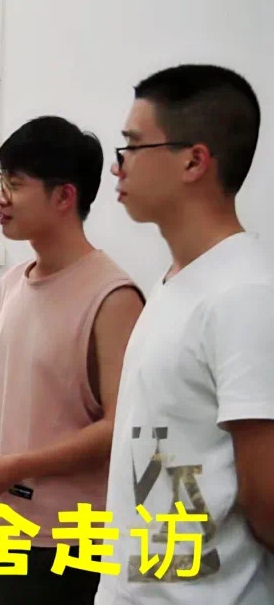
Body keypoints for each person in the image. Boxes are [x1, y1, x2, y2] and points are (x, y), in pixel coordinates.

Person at [96, 64, 274, 604]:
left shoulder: (244, 294)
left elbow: (267, 500)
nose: (117, 165)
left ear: (194, 161)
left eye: (133, 145)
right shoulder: (176, 282)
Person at [0, 116, 146, 605]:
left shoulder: (114, 296)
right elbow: (1, 384)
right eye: (1, 183)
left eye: (15, 185)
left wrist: (15, 466)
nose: (1, 198)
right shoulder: (13, 282)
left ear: (64, 196)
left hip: (63, 542)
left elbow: (118, 426)